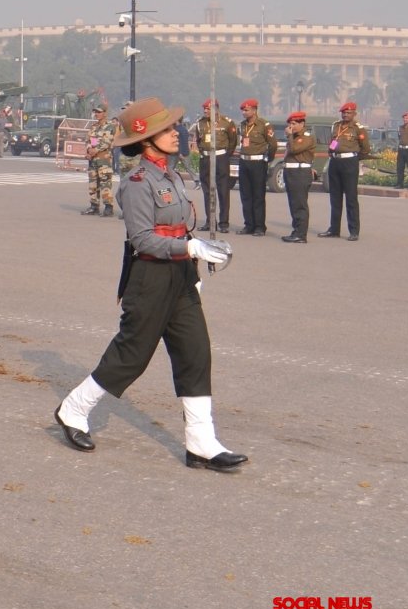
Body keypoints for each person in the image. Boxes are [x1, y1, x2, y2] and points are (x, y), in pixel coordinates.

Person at [51, 96, 248, 472]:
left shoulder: (172, 174)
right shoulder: (138, 183)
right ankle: (74, 409)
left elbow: (178, 223)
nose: (176, 134)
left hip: (180, 275)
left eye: (173, 128)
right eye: (166, 130)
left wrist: (200, 250)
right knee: (132, 356)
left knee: (196, 353)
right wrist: (190, 246)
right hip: (151, 277)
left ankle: (201, 442)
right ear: (146, 139)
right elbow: (142, 239)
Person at [320, 102, 370, 241]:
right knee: (335, 198)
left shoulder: (358, 128)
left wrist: (354, 158)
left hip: (349, 163)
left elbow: (365, 148)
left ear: (354, 114)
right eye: (343, 113)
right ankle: (334, 229)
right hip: (335, 162)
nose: (345, 115)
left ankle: (354, 231)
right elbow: (333, 141)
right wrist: (332, 149)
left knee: (351, 198)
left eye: (348, 113)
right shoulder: (336, 126)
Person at [193, 101, 238, 232]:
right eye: (204, 109)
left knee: (223, 191)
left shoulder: (227, 122)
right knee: (207, 191)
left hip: (221, 158)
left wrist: (225, 156)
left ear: (216, 109)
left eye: (208, 109)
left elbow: (233, 141)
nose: (205, 111)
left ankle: (224, 223)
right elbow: (198, 140)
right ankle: (210, 221)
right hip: (206, 158)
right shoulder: (200, 123)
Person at [234, 99, 275, 236]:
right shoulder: (242, 125)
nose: (244, 113)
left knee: (258, 195)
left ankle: (259, 226)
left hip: (258, 163)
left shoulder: (264, 125)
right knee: (245, 196)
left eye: (246, 110)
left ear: (254, 110)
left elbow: (272, 144)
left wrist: (269, 158)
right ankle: (248, 225)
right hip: (244, 162)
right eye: (243, 111)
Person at [279, 112, 316, 243]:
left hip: (300, 172)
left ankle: (301, 234)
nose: (291, 126)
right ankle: (296, 231)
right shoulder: (293, 137)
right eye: (290, 123)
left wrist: (289, 136)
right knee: (293, 203)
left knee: (300, 204)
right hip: (290, 171)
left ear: (302, 124)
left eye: (294, 124)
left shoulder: (306, 137)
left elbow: (294, 150)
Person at [82, 103, 116, 217]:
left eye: (99, 112)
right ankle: (94, 206)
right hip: (93, 160)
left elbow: (107, 142)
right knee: (93, 184)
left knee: (105, 184)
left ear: (105, 113)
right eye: (95, 112)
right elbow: (90, 140)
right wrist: (89, 150)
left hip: (104, 160)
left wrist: (95, 150)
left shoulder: (110, 126)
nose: (96, 114)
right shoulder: (94, 127)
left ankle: (108, 207)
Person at [394, 113, 408, 190]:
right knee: (400, 167)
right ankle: (399, 183)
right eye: (404, 118)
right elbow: (399, 137)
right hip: (401, 149)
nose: (405, 119)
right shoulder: (400, 127)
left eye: (407, 118)